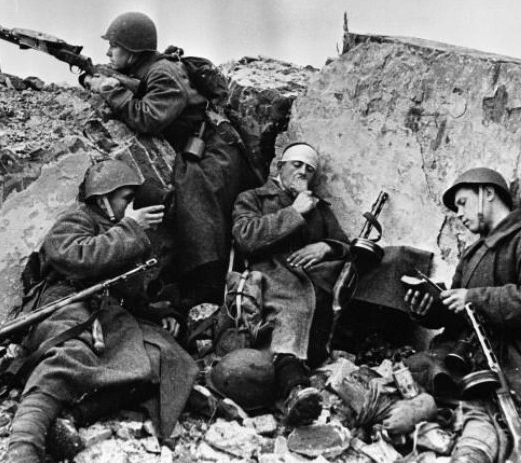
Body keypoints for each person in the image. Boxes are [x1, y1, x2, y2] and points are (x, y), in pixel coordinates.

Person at [6, 160, 198, 463]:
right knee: (70, 355)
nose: (132, 206)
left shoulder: (127, 231)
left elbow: (129, 293)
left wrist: (159, 314)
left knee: (166, 361)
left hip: (111, 316)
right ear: (102, 199)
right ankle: (23, 447)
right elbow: (75, 256)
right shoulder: (77, 221)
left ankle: (72, 416)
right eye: (126, 198)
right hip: (67, 302)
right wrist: (130, 228)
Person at [81, 12, 250, 309]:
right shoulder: (151, 68)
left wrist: (113, 92)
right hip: (201, 143)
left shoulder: (162, 73)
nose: (108, 52)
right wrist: (93, 78)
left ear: (133, 50)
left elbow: (148, 118)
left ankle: (207, 284)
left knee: (194, 199)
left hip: (216, 149)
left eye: (114, 46)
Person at [405, 167, 521, 463]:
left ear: (487, 193)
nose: (459, 214)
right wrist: (428, 310)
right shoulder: (472, 255)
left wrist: (474, 298)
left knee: (488, 426)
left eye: (463, 203)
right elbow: (457, 315)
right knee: (404, 377)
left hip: (513, 361)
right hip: (466, 357)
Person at [231, 142, 350, 425]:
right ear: (279, 167)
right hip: (271, 274)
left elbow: (344, 244)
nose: (303, 172)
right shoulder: (254, 197)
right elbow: (245, 236)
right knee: (290, 308)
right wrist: (294, 212)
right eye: (297, 165)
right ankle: (294, 389)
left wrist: (325, 247)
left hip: (315, 279)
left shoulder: (319, 207)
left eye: (309, 169)